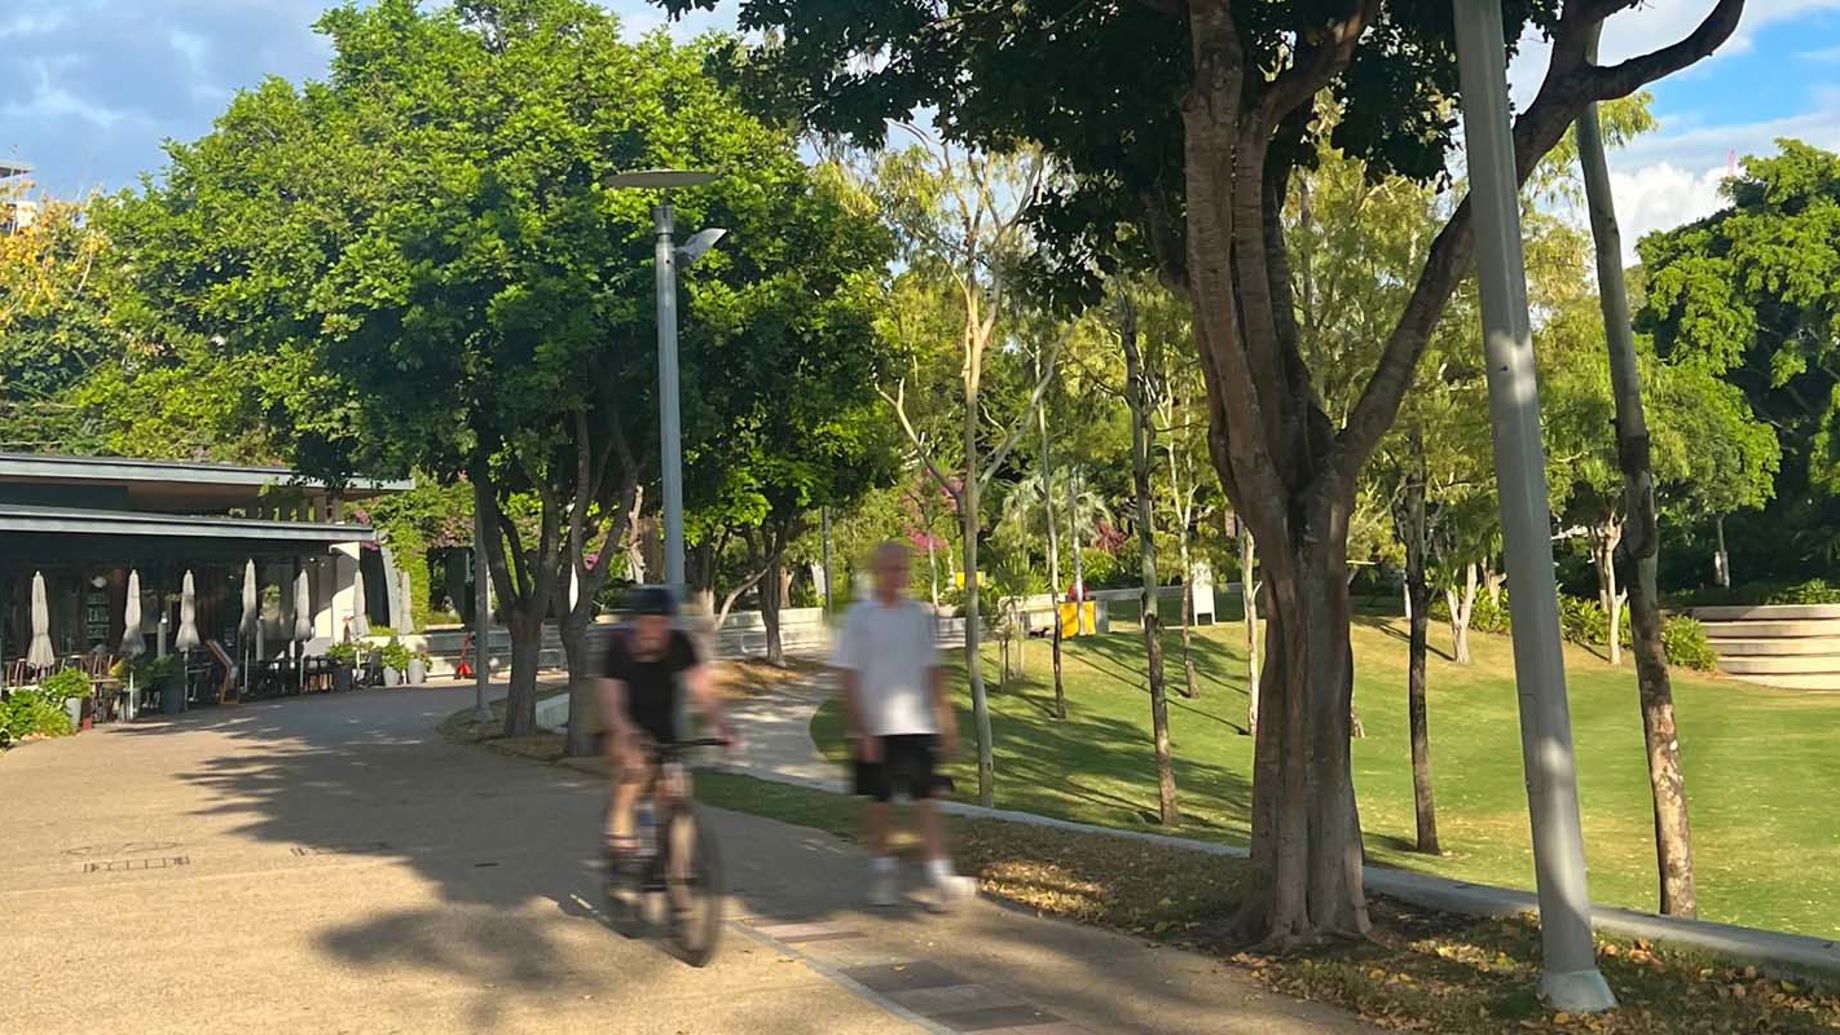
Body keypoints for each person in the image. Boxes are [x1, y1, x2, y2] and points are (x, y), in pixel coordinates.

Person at [833, 542, 975, 909]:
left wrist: (947, 723)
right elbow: (847, 676)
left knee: (927, 802)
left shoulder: (917, 615)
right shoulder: (860, 618)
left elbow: (933, 672)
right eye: (891, 569)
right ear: (878, 572)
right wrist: (860, 729)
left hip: (916, 725)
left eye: (902, 569)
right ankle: (882, 874)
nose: (898, 576)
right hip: (875, 729)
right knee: (879, 806)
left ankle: (940, 878)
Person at [599, 586, 737, 867]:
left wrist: (723, 727)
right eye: (648, 621)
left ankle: (679, 879)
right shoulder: (619, 649)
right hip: (624, 726)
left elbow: (702, 690)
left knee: (678, 794)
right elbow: (612, 708)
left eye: (661, 622)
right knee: (635, 770)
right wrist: (629, 735)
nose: (654, 629)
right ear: (637, 622)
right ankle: (620, 833)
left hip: (664, 729)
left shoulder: (679, 645)